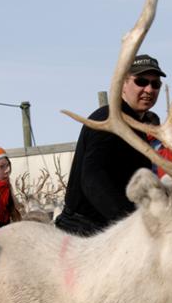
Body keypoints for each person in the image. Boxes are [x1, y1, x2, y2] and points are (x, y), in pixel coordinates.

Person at [55, 54, 165, 236]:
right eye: (141, 81)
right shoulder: (109, 118)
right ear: (122, 83)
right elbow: (92, 176)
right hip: (86, 232)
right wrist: (130, 222)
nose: (149, 89)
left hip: (109, 230)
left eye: (155, 84)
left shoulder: (136, 125)